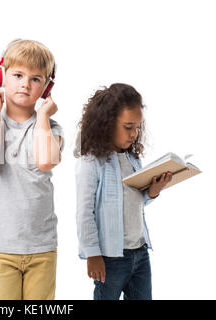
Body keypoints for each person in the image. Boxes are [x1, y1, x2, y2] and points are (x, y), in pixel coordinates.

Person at [0, 39, 64, 300]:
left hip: (42, 246)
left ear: (47, 87)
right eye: (18, 75)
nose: (25, 83)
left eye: (36, 79)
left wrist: (43, 116)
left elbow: (46, 160)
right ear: (2, 77)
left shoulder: (51, 128)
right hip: (1, 247)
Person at [75, 83, 172, 300]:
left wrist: (152, 192)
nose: (134, 134)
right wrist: (92, 254)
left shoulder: (132, 158)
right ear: (107, 124)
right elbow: (84, 213)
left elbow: (132, 201)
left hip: (140, 252)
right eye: (128, 127)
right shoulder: (92, 163)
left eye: (137, 127)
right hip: (110, 258)